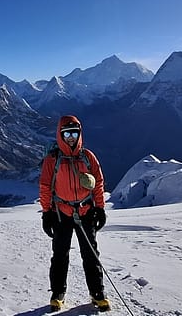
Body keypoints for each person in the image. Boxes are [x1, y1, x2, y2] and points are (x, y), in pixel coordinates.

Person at [39, 115, 109, 312]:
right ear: (60, 135)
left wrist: (100, 208)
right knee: (60, 255)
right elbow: (45, 186)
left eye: (74, 133)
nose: (71, 137)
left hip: (86, 211)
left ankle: (97, 293)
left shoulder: (88, 157)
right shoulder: (52, 160)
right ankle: (57, 293)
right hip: (61, 213)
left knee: (91, 254)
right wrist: (47, 213)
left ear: (80, 134)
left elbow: (98, 184)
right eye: (67, 133)